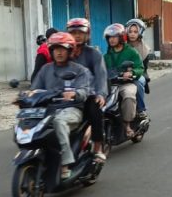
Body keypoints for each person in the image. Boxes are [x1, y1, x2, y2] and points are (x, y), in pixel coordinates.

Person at [28, 32, 93, 180]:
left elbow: (85, 90)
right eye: (55, 48)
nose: (58, 52)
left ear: (70, 50)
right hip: (49, 109)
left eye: (62, 48)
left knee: (59, 122)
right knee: (30, 121)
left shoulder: (79, 70)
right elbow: (35, 89)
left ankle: (66, 164)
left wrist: (74, 94)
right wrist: (25, 97)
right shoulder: (45, 70)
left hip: (71, 110)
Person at [66, 18, 108, 162]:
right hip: (66, 95)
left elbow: (101, 76)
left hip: (89, 94)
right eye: (73, 32)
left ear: (87, 34)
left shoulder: (94, 54)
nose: (77, 36)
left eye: (80, 33)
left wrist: (101, 94)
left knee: (95, 109)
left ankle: (97, 147)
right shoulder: (63, 52)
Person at [102, 23, 144, 137]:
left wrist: (131, 73)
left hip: (126, 83)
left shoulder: (131, 52)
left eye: (114, 37)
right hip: (110, 85)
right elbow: (101, 71)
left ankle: (128, 125)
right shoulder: (106, 56)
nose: (111, 39)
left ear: (121, 37)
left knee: (129, 95)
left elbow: (140, 67)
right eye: (109, 37)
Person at [125, 18, 150, 114]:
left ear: (140, 32)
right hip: (122, 73)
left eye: (135, 32)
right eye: (130, 31)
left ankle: (141, 110)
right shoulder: (122, 46)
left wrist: (133, 73)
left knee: (138, 82)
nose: (132, 34)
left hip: (139, 74)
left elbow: (143, 69)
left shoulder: (145, 50)